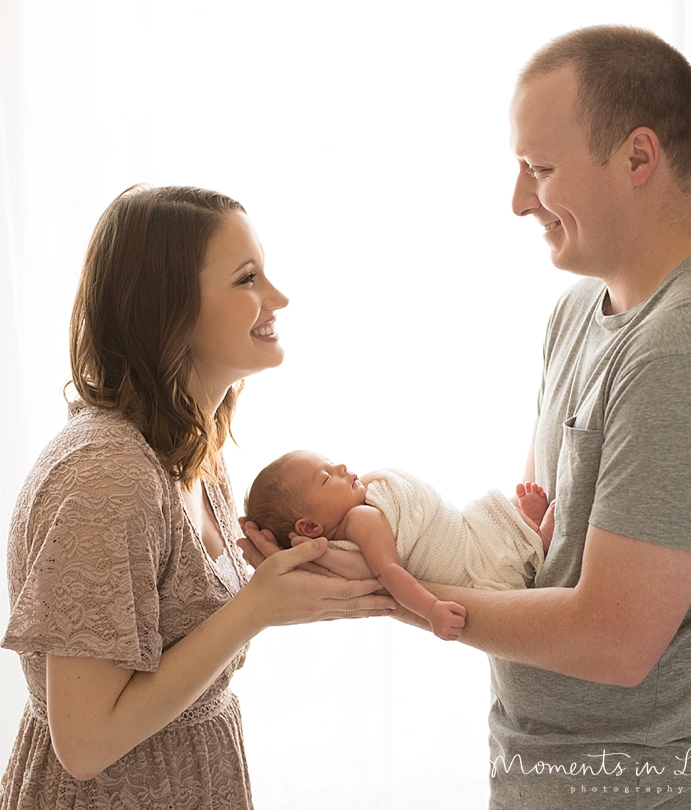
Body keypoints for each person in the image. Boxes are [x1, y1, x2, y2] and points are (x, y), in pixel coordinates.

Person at [240, 26, 691, 809]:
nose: (518, 201)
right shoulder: (578, 311)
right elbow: (538, 550)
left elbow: (615, 641)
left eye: (540, 170)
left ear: (639, 158)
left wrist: (385, 589)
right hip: (539, 766)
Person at [0, 185, 396, 809]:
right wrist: (255, 609)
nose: (279, 298)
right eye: (248, 279)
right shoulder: (108, 476)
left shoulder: (190, 451)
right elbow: (84, 743)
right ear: (168, 309)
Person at [243, 450, 554, 640]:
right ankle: (537, 539)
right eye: (326, 477)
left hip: (461, 531)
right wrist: (431, 609)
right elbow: (390, 574)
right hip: (471, 554)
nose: (341, 467)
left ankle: (524, 526)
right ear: (309, 527)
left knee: (493, 512)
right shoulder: (362, 519)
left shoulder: (344, 540)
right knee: (504, 524)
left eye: (332, 461)